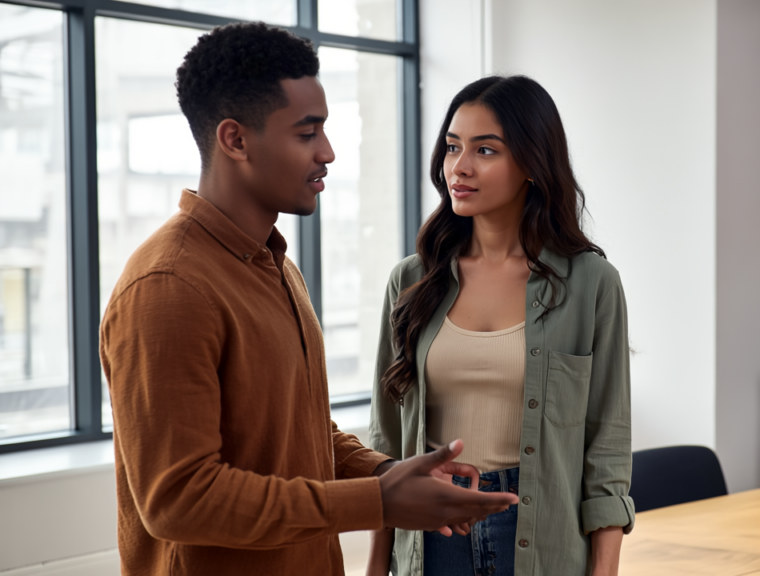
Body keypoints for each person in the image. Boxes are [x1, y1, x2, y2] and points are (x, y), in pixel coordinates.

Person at [99, 23, 517, 576]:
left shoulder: (275, 266)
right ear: (235, 140)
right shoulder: (168, 287)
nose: (328, 152)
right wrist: (380, 500)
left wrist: (387, 472)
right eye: (306, 133)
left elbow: (301, 438)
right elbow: (179, 500)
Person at [367, 76, 634, 576]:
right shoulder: (411, 280)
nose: (459, 167)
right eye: (452, 147)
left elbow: (607, 451)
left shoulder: (591, 283)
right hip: (432, 535)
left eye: (485, 150)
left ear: (532, 163)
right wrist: (377, 568)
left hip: (542, 539)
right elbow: (386, 445)